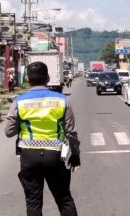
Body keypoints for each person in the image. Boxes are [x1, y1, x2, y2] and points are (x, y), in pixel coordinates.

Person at [5, 61, 81, 216]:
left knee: (33, 202)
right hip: (55, 156)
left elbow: (9, 132)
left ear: (27, 79)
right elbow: (71, 132)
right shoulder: (62, 100)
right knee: (64, 199)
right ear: (48, 78)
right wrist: (75, 154)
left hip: (29, 156)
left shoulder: (19, 101)